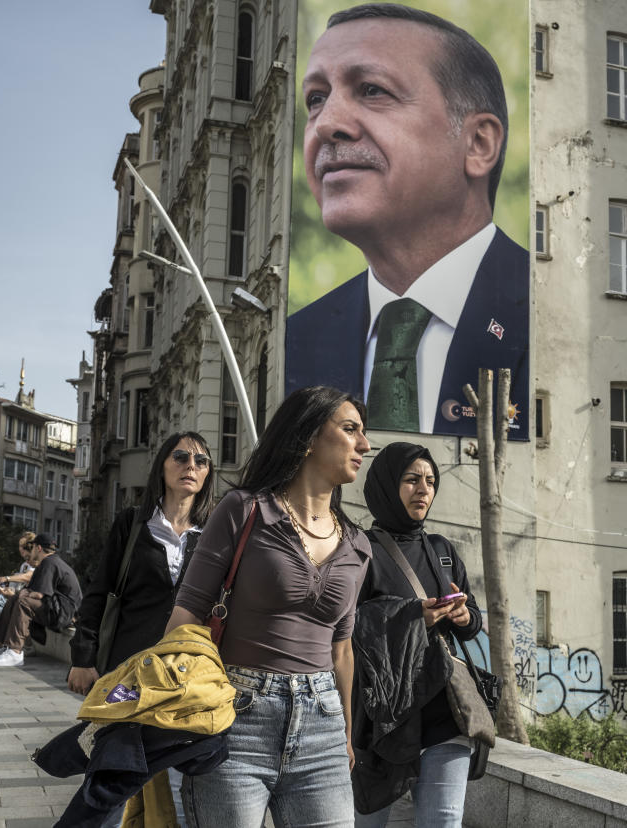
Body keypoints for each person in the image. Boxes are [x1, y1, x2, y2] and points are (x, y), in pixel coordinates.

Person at [286, 3, 529, 438]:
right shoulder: (295, 339)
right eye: (316, 99)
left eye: (372, 90)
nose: (327, 124)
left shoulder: (553, 310)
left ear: (477, 144)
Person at [164, 386, 372, 827]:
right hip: (235, 722)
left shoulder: (358, 545)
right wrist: (172, 711)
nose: (364, 445)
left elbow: (342, 651)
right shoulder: (243, 510)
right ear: (310, 435)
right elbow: (185, 617)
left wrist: (347, 736)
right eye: (351, 430)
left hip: (324, 729)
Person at [66, 431, 217, 827]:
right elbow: (99, 593)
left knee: (191, 782)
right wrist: (83, 657)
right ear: (162, 465)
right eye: (181, 457)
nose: (191, 466)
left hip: (188, 677)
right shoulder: (132, 525)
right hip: (128, 672)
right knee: (112, 776)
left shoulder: (217, 533)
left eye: (201, 461)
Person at [352, 442, 481, 827]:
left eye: (429, 480)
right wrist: (413, 618)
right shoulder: (361, 550)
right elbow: (347, 627)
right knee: (367, 822)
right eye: (411, 480)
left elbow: (473, 622)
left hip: (444, 709)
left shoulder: (442, 550)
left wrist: (461, 614)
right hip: (383, 718)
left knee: (443, 821)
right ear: (389, 485)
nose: (423, 489)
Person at [0, 533, 82, 668]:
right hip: (57, 609)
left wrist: (25, 593)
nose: (31, 551)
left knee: (23, 602)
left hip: (64, 614)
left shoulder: (50, 563)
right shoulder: (49, 562)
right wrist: (22, 593)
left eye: (33, 547)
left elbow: (40, 594)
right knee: (15, 599)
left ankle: (15, 652)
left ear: (39, 548)